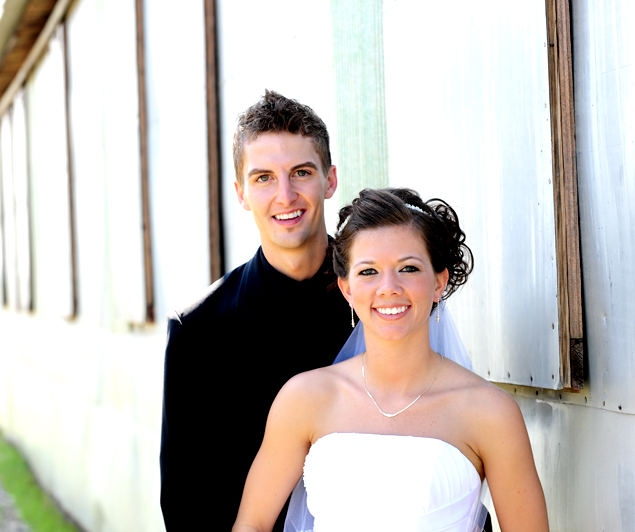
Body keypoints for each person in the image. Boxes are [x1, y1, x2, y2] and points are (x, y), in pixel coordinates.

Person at [233, 188, 549, 532]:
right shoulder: (305, 398)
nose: (389, 287)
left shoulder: (491, 413)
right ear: (347, 289)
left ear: (439, 282)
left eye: (409, 268)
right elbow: (253, 523)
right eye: (368, 272)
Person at [159, 90, 352, 531]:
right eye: (263, 177)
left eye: (301, 172)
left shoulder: (382, 301)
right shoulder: (198, 329)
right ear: (242, 193)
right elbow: (187, 503)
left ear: (330, 179)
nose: (285, 195)